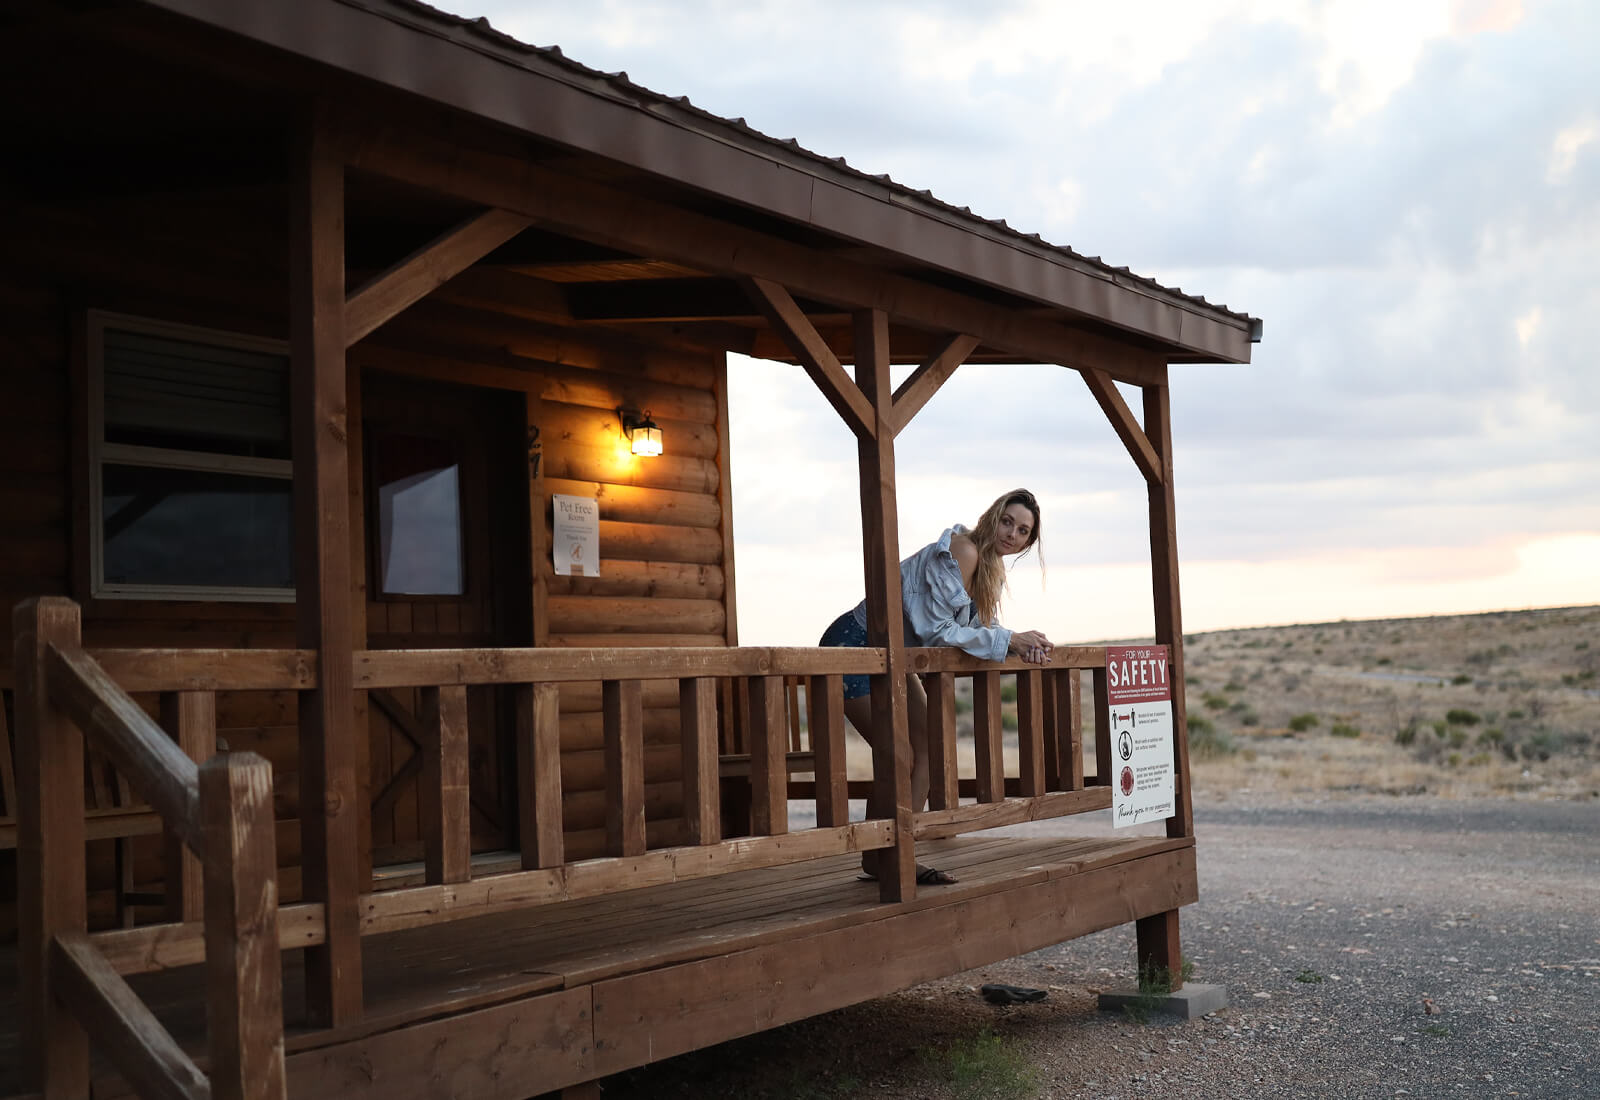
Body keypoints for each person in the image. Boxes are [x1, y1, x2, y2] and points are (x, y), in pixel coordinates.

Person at [819, 488, 1054, 884]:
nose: (1012, 533)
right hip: (856, 646)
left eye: (1023, 530)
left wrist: (1023, 645)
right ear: (992, 517)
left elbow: (972, 630)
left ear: (1028, 542)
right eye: (1008, 521)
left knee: (929, 744)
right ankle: (891, 857)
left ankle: (886, 855)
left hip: (894, 656)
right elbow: (939, 631)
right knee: (900, 753)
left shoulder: (986, 568)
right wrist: (1011, 639)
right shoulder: (964, 552)